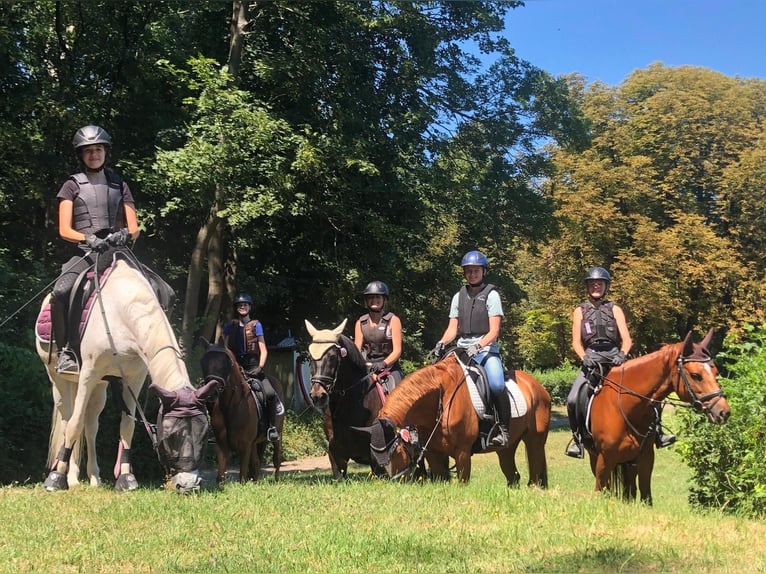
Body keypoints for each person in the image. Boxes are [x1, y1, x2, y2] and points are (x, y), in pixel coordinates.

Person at [51, 125, 139, 374]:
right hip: (86, 251)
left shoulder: (120, 184)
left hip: (117, 250)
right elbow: (64, 229)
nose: (94, 154)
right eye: (88, 151)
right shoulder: (71, 185)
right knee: (61, 290)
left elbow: (134, 227)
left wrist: (125, 234)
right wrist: (89, 239)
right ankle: (67, 351)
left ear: (105, 152)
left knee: (161, 290)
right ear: (81, 155)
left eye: (98, 149)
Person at [565, 266, 676, 459]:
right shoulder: (579, 310)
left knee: (648, 391)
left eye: (599, 284)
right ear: (587, 287)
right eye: (592, 284)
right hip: (591, 356)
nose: (595, 287)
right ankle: (578, 440)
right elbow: (575, 341)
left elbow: (627, 339)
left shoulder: (615, 309)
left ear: (606, 286)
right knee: (573, 399)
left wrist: (622, 354)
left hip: (614, 355)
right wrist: (584, 357)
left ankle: (658, 433)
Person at [433, 250, 510, 447]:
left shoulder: (492, 296)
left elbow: (494, 331)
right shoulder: (458, 297)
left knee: (497, 384)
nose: (472, 274)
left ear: (484, 272)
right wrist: (441, 343)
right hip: (462, 348)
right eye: (468, 271)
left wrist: (478, 346)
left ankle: (503, 429)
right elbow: (453, 329)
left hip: (486, 350)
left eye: (476, 270)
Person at [222, 293, 279, 442]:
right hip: (234, 367)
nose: (242, 307)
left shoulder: (256, 325)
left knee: (270, 393)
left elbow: (264, 350)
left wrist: (260, 367)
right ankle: (218, 429)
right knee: (217, 392)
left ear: (249, 307)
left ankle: (271, 427)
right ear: (236, 308)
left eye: (245, 305)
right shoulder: (230, 326)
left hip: (252, 366)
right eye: (240, 305)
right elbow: (225, 348)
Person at [354, 280, 404, 393]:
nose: (374, 300)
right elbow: (356, 350)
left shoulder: (393, 320)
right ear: (366, 301)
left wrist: (383, 364)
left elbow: (397, 351)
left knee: (398, 394)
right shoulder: (360, 323)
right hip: (368, 367)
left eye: (378, 297)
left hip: (389, 367)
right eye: (371, 297)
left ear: (384, 300)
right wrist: (365, 367)